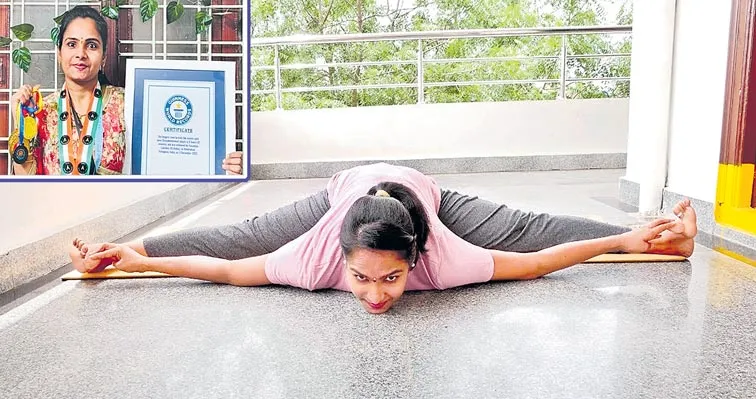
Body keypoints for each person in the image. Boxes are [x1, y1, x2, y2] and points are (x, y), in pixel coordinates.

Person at [75, 163, 697, 314]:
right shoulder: (314, 255)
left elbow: (540, 257)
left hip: (419, 191)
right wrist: (141, 256)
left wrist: (636, 237)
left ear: (416, 260)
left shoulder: (444, 257)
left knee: (521, 224)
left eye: (392, 278)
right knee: (244, 236)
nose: (375, 296)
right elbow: (228, 265)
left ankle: (662, 235)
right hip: (344, 192)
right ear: (337, 258)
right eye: (361, 278)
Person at [10, 5, 243, 176]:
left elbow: (174, 148)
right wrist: (21, 123)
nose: (81, 53)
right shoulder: (39, 110)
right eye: (72, 44)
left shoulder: (131, 103)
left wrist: (221, 164)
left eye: (91, 45)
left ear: (103, 56)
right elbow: (26, 184)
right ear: (59, 52)